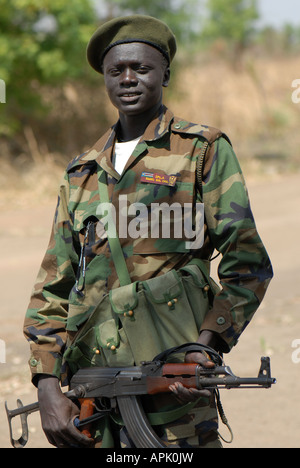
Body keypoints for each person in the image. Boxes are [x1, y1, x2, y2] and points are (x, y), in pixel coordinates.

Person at [23, 15, 273, 449]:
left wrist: (205, 346)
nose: (128, 79)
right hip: (92, 388)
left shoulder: (201, 150)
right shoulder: (81, 171)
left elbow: (248, 262)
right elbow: (55, 283)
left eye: (141, 68)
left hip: (174, 390)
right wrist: (46, 383)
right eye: (115, 70)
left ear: (165, 74)